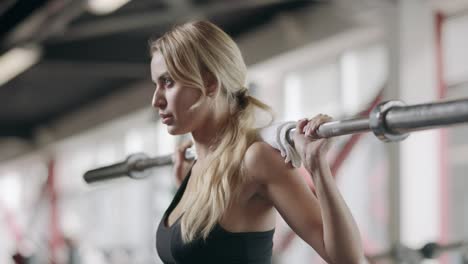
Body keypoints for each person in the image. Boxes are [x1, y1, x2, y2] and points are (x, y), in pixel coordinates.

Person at [150, 20, 363, 264]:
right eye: (156, 84)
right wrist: (183, 185)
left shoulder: (255, 160)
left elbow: (349, 260)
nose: (156, 100)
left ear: (210, 84)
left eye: (168, 82)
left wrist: (317, 167)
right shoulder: (198, 168)